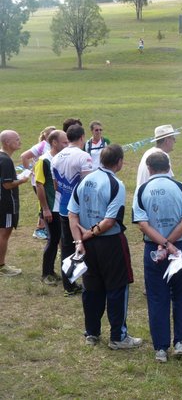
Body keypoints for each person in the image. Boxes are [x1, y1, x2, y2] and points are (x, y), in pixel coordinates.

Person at [68, 144, 142, 349]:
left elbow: (72, 215)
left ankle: (91, 332)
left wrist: (79, 241)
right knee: (117, 288)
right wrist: (88, 234)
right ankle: (118, 337)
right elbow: (110, 221)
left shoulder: (84, 181)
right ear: (119, 162)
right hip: (110, 244)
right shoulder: (116, 184)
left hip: (87, 246)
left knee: (91, 288)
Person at [133, 152, 182, 363]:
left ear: (149, 169)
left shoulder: (142, 189)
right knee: (181, 295)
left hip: (154, 247)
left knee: (157, 297)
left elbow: (142, 224)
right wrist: (171, 244)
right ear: (168, 166)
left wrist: (163, 243)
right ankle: (180, 342)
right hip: (181, 247)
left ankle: (160, 348)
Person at [52, 124, 93, 295]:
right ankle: (90, 281)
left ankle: (68, 284)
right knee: (86, 244)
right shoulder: (84, 157)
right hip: (81, 210)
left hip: (63, 207)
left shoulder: (56, 157)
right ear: (82, 137)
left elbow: (56, 186)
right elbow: (87, 186)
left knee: (67, 246)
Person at [34, 130, 69, 285]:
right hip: (51, 208)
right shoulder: (44, 160)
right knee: (53, 239)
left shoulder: (61, 158)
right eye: (64, 142)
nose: (67, 145)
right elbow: (39, 185)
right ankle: (46, 273)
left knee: (59, 239)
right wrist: (45, 209)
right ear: (54, 142)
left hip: (61, 207)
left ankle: (52, 271)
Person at [0, 130, 30, 277]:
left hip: (3, 202)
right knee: (4, 233)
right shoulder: (5, 160)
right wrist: (22, 180)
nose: (20, 142)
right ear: (7, 142)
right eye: (16, 139)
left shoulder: (2, 157)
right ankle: (2, 265)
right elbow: (7, 185)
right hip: (6, 203)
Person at [20, 125, 56, 240]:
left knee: (45, 204)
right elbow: (24, 156)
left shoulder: (53, 146)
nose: (52, 135)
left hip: (47, 181)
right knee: (44, 205)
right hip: (38, 182)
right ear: (45, 136)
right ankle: (39, 229)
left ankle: (43, 228)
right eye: (50, 133)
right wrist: (29, 171)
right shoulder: (42, 146)